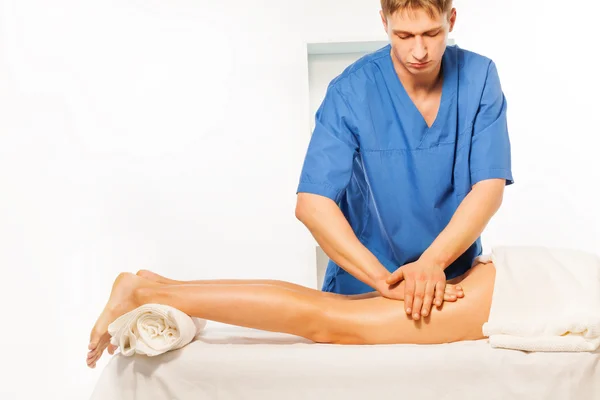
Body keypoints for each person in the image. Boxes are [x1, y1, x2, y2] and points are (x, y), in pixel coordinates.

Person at [295, 0, 513, 321]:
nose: (420, 51)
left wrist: (430, 265)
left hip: (449, 282)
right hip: (366, 282)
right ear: (384, 23)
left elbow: (489, 187)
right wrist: (385, 281)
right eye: (404, 36)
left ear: (451, 20)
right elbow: (312, 204)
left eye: (431, 33)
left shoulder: (478, 77)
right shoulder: (352, 91)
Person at [87, 260, 495, 369]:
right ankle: (144, 291)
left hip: (520, 282)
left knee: (335, 312)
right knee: (336, 323)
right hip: (522, 294)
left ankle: (162, 288)